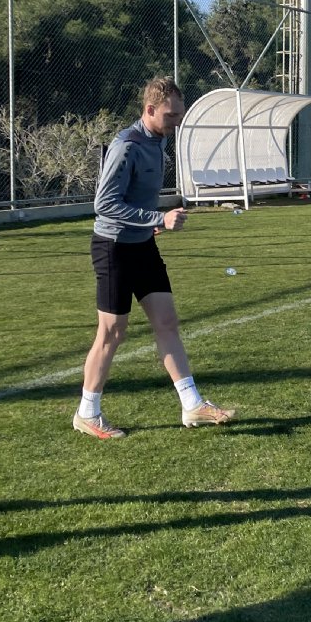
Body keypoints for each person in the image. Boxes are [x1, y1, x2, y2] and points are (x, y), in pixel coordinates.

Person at [74, 77, 235, 440]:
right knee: (112, 333)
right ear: (149, 109)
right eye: (170, 115)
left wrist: (149, 225)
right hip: (113, 247)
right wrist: (157, 218)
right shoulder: (126, 146)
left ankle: (192, 404)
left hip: (142, 244)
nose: (176, 122)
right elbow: (104, 204)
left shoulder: (158, 140)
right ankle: (87, 413)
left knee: (166, 322)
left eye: (179, 114)